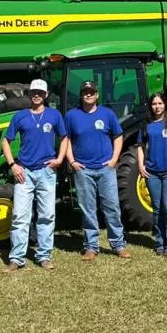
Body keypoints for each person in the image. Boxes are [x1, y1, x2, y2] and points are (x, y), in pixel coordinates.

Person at [0, 78, 68, 272]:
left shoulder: (54, 116)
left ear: (46, 95)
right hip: (24, 173)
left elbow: (64, 138)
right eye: (33, 92)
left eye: (40, 92)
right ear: (29, 94)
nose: (36, 95)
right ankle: (17, 258)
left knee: (47, 216)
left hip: (47, 172)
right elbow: (6, 142)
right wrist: (13, 165)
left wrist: (60, 159)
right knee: (20, 216)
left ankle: (44, 256)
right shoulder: (20, 116)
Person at [66, 80, 130, 261]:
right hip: (83, 170)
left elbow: (118, 136)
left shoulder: (107, 114)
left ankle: (118, 245)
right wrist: (72, 161)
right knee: (88, 209)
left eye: (91, 91)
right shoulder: (72, 116)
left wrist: (114, 160)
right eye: (85, 92)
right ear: (81, 95)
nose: (88, 94)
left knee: (112, 207)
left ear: (97, 94)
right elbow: (66, 140)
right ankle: (91, 247)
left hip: (105, 169)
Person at [137, 93, 167, 257]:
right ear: (151, 106)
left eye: (160, 103)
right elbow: (140, 146)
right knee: (157, 209)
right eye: (154, 104)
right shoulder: (146, 125)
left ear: (165, 105)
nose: (157, 106)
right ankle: (160, 242)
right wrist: (141, 165)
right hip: (152, 174)